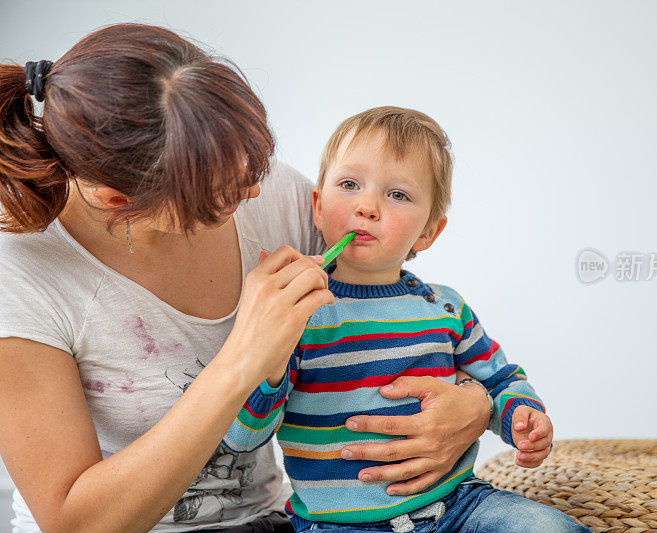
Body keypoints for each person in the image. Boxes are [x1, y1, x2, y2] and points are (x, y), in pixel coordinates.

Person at [0, 25, 495, 532]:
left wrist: (477, 403)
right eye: (221, 196)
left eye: (253, 165)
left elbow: (387, 320)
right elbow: (73, 523)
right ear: (116, 201)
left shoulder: (271, 191)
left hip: (279, 520)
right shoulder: (21, 279)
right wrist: (243, 357)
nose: (255, 192)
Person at [222, 107, 591, 532]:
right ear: (318, 208)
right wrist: (271, 356)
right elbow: (243, 438)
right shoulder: (299, 313)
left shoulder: (446, 308)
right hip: (337, 525)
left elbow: (499, 380)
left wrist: (523, 415)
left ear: (428, 232)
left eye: (397, 194)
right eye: (349, 184)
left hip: (457, 507)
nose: (367, 206)